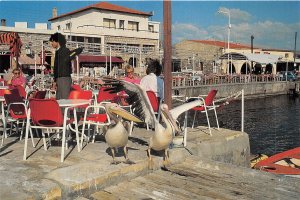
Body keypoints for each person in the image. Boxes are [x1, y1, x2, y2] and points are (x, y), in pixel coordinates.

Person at [49, 32, 72, 99]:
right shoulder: (58, 51)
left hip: (64, 78)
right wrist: (55, 80)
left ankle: (64, 110)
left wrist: (56, 80)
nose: (52, 43)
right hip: (60, 78)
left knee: (64, 99)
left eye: (53, 41)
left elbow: (62, 66)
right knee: (59, 99)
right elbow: (56, 67)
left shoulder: (65, 50)